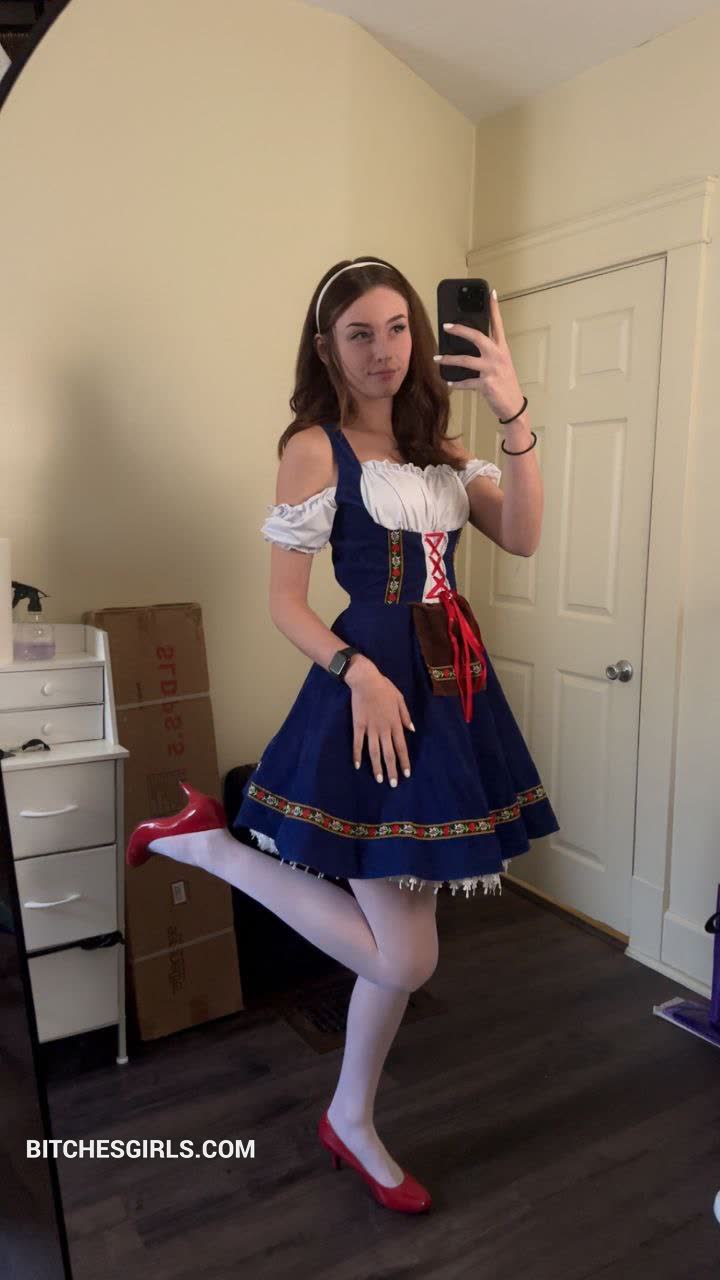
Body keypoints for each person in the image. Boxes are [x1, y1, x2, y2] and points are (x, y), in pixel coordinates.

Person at [126, 257, 560, 1214]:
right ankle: (212, 847)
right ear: (327, 348)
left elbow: (525, 536)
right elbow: (285, 603)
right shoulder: (314, 449)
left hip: (451, 689)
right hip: (372, 690)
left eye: (398, 328)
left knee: (400, 945)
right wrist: (356, 671)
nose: (383, 351)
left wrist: (513, 409)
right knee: (405, 958)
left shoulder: (445, 448)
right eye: (359, 334)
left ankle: (350, 1117)